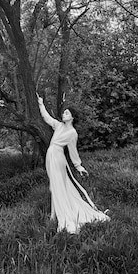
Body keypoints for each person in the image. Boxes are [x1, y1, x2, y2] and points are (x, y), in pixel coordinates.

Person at [37, 94, 110, 234]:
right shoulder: (58, 126)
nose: (63, 115)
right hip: (51, 156)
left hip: (58, 157)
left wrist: (78, 166)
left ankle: (60, 216)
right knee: (54, 185)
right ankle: (54, 214)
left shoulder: (72, 133)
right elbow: (47, 118)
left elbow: (72, 151)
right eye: (64, 113)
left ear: (72, 117)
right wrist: (41, 104)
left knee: (58, 186)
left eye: (66, 113)